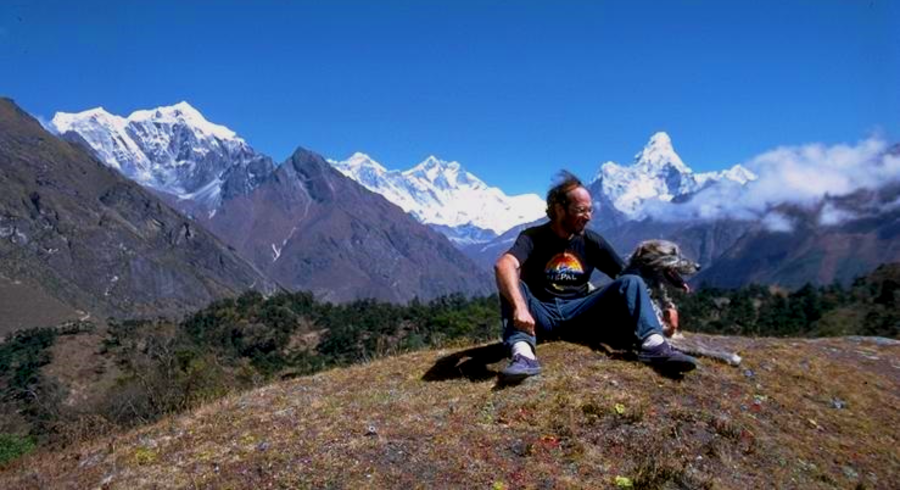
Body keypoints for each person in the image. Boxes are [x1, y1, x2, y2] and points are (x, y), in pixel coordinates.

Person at [494, 171, 698, 381]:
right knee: (512, 282)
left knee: (632, 282)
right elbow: (504, 264)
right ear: (559, 209)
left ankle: (655, 346)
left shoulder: (592, 242)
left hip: (581, 315)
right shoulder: (533, 237)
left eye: (590, 210)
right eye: (581, 210)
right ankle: (523, 355)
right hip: (540, 316)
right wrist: (520, 307)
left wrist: (666, 308)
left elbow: (628, 279)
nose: (588, 217)